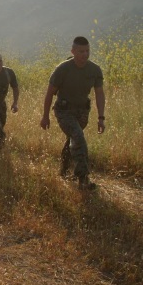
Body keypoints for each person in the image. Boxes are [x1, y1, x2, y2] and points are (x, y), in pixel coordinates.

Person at [40, 36, 105, 190]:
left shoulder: (94, 70)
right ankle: (83, 178)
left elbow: (99, 94)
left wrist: (101, 117)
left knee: (73, 139)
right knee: (78, 136)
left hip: (82, 112)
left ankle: (63, 170)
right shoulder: (62, 69)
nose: (85, 54)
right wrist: (45, 116)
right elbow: (50, 93)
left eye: (87, 51)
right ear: (73, 51)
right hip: (64, 111)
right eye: (81, 51)